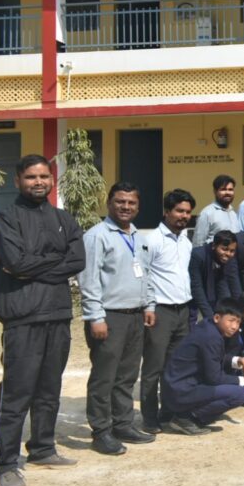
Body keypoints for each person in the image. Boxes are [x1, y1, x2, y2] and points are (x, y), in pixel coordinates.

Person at [0, 155, 85, 486]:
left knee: (49, 389)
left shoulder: (63, 218)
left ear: (52, 179)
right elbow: (14, 262)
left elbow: (77, 260)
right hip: (22, 316)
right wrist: (53, 262)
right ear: (18, 180)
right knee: (17, 393)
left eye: (44, 176)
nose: (38, 182)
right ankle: (5, 464)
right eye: (31, 177)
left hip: (57, 314)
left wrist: (33, 266)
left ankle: (42, 448)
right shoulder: (7, 217)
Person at [80, 182, 155, 455]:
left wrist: (149, 305)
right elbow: (89, 280)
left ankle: (123, 424)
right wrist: (95, 317)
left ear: (138, 206)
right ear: (109, 203)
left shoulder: (138, 236)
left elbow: (145, 274)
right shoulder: (96, 236)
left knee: (126, 376)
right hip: (109, 317)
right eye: (120, 201)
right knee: (104, 377)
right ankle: (101, 431)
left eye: (131, 203)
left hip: (135, 316)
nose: (126, 207)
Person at [140, 189, 195, 435]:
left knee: (176, 368)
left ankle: (170, 413)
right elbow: (144, 276)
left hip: (183, 311)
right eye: (179, 211)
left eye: (188, 212)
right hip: (160, 312)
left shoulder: (185, 241)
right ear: (167, 212)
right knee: (154, 367)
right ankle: (149, 417)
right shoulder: (152, 240)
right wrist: (149, 307)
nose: (184, 216)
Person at [161, 298, 244, 436]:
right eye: (231, 320)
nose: (234, 326)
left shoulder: (207, 326)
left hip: (176, 387)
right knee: (238, 394)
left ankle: (185, 414)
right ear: (217, 318)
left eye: (238, 322)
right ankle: (185, 418)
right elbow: (214, 378)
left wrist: (239, 360)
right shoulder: (212, 337)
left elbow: (214, 358)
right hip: (181, 390)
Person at [189, 230, 242, 324]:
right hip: (190, 295)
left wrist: (235, 311)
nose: (228, 253)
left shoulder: (228, 258)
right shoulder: (198, 255)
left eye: (232, 251)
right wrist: (211, 318)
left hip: (211, 289)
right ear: (214, 245)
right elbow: (196, 288)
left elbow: (227, 283)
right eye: (224, 249)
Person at [192, 174, 241, 247]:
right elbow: (198, 243)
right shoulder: (207, 213)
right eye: (223, 189)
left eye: (230, 190)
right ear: (215, 191)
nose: (227, 193)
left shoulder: (233, 213)